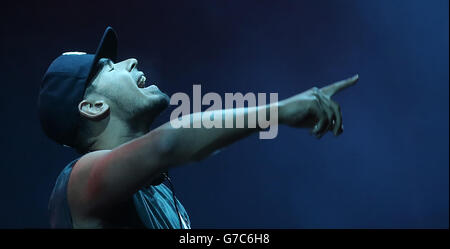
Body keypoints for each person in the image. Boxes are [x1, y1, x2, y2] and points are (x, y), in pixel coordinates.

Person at [38, 27, 358, 229]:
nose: (130, 61)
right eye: (109, 67)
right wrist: (281, 111)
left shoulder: (158, 193)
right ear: (93, 107)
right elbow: (168, 143)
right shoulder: (79, 180)